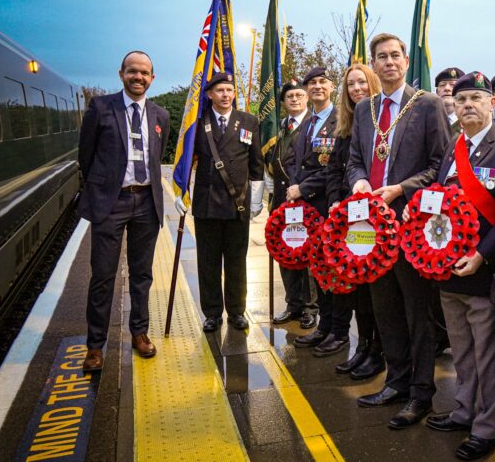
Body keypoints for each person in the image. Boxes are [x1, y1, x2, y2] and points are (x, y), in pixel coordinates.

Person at [346, 33, 450, 429]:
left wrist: (400, 190)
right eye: (381, 57)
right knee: (384, 307)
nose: (388, 62)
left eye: (395, 56)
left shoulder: (427, 105)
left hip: (409, 225)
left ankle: (421, 394)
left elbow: (439, 164)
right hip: (369, 226)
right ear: (373, 65)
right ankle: (396, 382)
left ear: (406, 62)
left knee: (416, 311)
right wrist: (358, 181)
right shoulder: (365, 109)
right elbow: (356, 159)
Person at [421, 71, 495, 460]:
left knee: (489, 356)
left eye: (476, 99)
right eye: (461, 101)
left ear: (492, 103)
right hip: (449, 270)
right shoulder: (453, 147)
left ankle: (487, 428)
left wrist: (482, 255)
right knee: (462, 351)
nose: (467, 106)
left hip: (484, 270)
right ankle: (464, 411)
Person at [78, 51, 170, 372]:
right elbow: (85, 156)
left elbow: (157, 158)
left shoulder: (160, 115)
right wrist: (101, 191)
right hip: (111, 203)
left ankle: (140, 333)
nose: (138, 77)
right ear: (121, 74)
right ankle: (94, 346)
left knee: (142, 275)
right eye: (133, 71)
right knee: (103, 275)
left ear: (152, 78)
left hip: (147, 203)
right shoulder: (101, 108)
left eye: (145, 73)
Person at [173, 72, 264, 332]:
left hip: (238, 205)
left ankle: (236, 311)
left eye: (229, 90)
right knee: (208, 262)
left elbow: (256, 164)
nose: (226, 95)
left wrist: (256, 198)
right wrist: (181, 192)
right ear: (209, 94)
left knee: (237, 261)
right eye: (220, 90)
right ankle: (212, 313)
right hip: (207, 204)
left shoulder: (248, 121)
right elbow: (185, 161)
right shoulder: (197, 123)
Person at [286, 67, 353, 357]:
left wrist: (302, 188)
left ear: (332, 86)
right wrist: (294, 189)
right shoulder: (308, 122)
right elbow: (297, 163)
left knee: (336, 272)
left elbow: (332, 167)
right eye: (311, 82)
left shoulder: (341, 120)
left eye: (322, 82)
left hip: (330, 205)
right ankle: (324, 327)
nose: (317, 86)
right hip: (310, 209)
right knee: (320, 271)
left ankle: (339, 331)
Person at [325, 63, 385, 380]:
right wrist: (336, 200)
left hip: (380, 221)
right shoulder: (346, 125)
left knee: (377, 289)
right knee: (359, 285)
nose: (357, 88)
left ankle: (377, 351)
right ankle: (362, 347)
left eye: (362, 82)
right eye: (351, 84)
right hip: (354, 221)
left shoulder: (381, 123)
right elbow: (335, 170)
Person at [269, 81, 318, 330]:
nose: (295, 99)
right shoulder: (278, 128)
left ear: (307, 98)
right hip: (281, 202)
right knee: (285, 253)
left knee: (307, 257)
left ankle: (310, 308)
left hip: (306, 201)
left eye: (299, 95)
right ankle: (293, 304)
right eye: (290, 96)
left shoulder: (315, 125)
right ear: (283, 101)